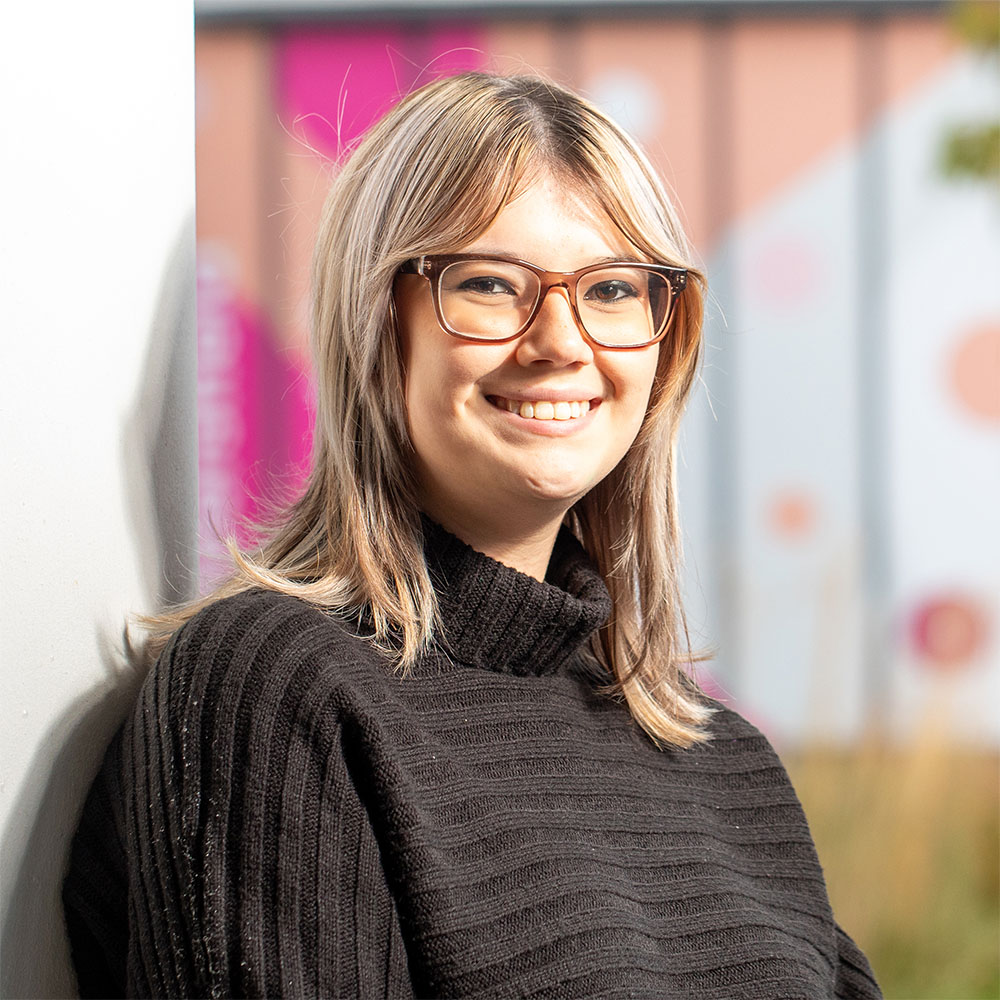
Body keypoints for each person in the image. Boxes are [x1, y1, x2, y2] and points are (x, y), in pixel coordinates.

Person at [63, 72, 881, 999]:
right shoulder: (276, 685)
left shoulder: (727, 761)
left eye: (612, 289)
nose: (562, 341)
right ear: (380, 324)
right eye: (491, 283)